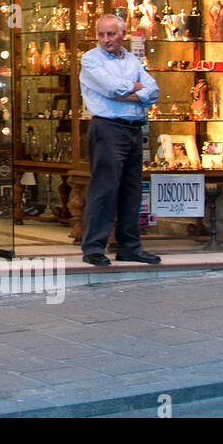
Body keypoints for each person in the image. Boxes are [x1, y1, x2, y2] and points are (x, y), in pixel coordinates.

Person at [78, 14, 161, 266]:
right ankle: (94, 247)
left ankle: (129, 246)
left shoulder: (132, 60)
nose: (105, 40)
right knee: (104, 189)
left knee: (131, 190)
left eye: (111, 34)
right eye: (101, 34)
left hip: (134, 129)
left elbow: (153, 90)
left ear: (122, 34)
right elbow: (111, 88)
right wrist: (136, 90)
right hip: (108, 129)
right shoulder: (91, 59)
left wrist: (132, 91)